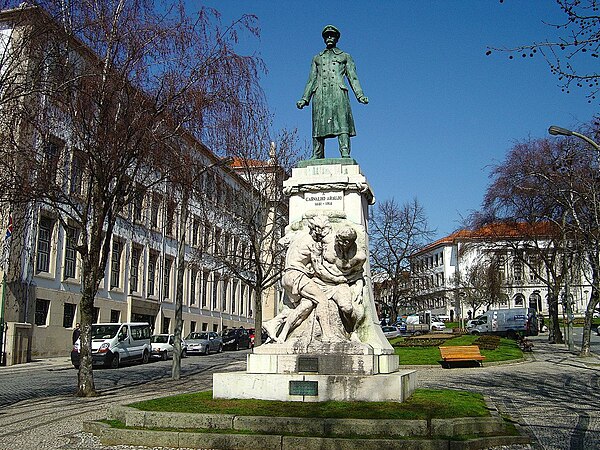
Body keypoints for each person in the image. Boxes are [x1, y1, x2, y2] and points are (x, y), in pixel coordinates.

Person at [263, 216, 340, 343]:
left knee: (305, 305)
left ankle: (278, 329)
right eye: (324, 232)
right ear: (318, 230)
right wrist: (337, 278)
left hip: (287, 276)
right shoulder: (312, 243)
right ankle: (327, 335)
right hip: (297, 276)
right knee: (322, 300)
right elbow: (319, 269)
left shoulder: (300, 236)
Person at [297, 25, 368, 159]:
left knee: (342, 123)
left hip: (338, 93)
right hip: (320, 94)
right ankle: (317, 153)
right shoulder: (317, 58)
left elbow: (352, 77)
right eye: (327, 36)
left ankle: (345, 151)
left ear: (336, 38)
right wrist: (304, 98)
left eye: (332, 35)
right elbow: (311, 79)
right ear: (324, 39)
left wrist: (360, 95)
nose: (329, 38)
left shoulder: (345, 56)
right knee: (318, 125)